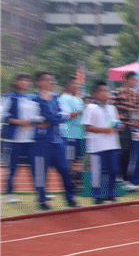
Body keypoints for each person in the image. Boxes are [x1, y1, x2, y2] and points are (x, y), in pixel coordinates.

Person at [32, 72, 80, 210]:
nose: (51, 83)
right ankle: (42, 202)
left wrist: (49, 119)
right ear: (39, 82)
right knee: (41, 171)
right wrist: (52, 117)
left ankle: (70, 199)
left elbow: (61, 116)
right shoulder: (34, 99)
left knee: (65, 169)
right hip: (41, 141)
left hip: (57, 140)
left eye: (52, 80)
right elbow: (37, 120)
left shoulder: (56, 98)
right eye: (47, 80)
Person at [81, 81, 122, 203]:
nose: (105, 94)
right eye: (102, 91)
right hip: (97, 146)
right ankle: (97, 196)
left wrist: (118, 126)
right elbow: (86, 127)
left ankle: (111, 193)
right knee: (97, 171)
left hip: (113, 144)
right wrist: (104, 130)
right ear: (94, 93)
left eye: (107, 91)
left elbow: (116, 122)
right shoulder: (90, 108)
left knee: (114, 169)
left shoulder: (112, 107)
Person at [2, 73, 38, 203]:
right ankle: (9, 194)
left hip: (30, 138)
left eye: (28, 81)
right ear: (15, 82)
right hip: (14, 138)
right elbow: (3, 116)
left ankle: (40, 192)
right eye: (22, 80)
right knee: (12, 166)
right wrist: (18, 121)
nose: (26, 83)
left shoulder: (33, 97)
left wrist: (35, 120)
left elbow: (38, 114)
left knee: (35, 165)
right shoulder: (9, 97)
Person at [112, 71, 139, 185]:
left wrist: (138, 121)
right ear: (126, 80)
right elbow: (111, 110)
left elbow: (137, 110)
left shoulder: (136, 95)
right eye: (133, 80)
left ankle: (124, 178)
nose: (135, 82)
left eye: (136, 80)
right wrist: (116, 126)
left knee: (127, 153)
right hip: (118, 128)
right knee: (119, 152)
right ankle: (117, 176)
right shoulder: (116, 93)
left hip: (129, 128)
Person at [58, 76, 85, 189]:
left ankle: (76, 182)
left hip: (79, 134)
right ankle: (69, 183)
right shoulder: (63, 98)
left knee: (77, 159)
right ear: (68, 85)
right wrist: (82, 111)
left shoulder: (79, 99)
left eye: (77, 84)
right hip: (68, 134)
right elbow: (67, 115)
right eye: (74, 84)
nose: (76, 86)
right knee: (69, 159)